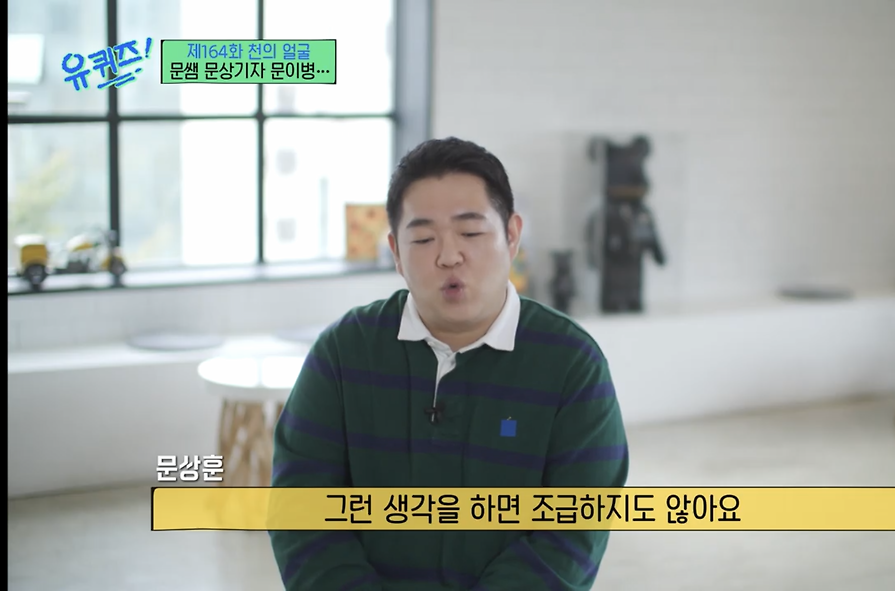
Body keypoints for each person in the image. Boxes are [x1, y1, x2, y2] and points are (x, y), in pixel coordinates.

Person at [269, 137, 629, 590]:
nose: (448, 256)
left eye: (471, 233)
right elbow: (301, 511)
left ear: (512, 235)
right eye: (423, 239)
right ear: (396, 253)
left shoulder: (572, 364)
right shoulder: (344, 352)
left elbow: (572, 535)